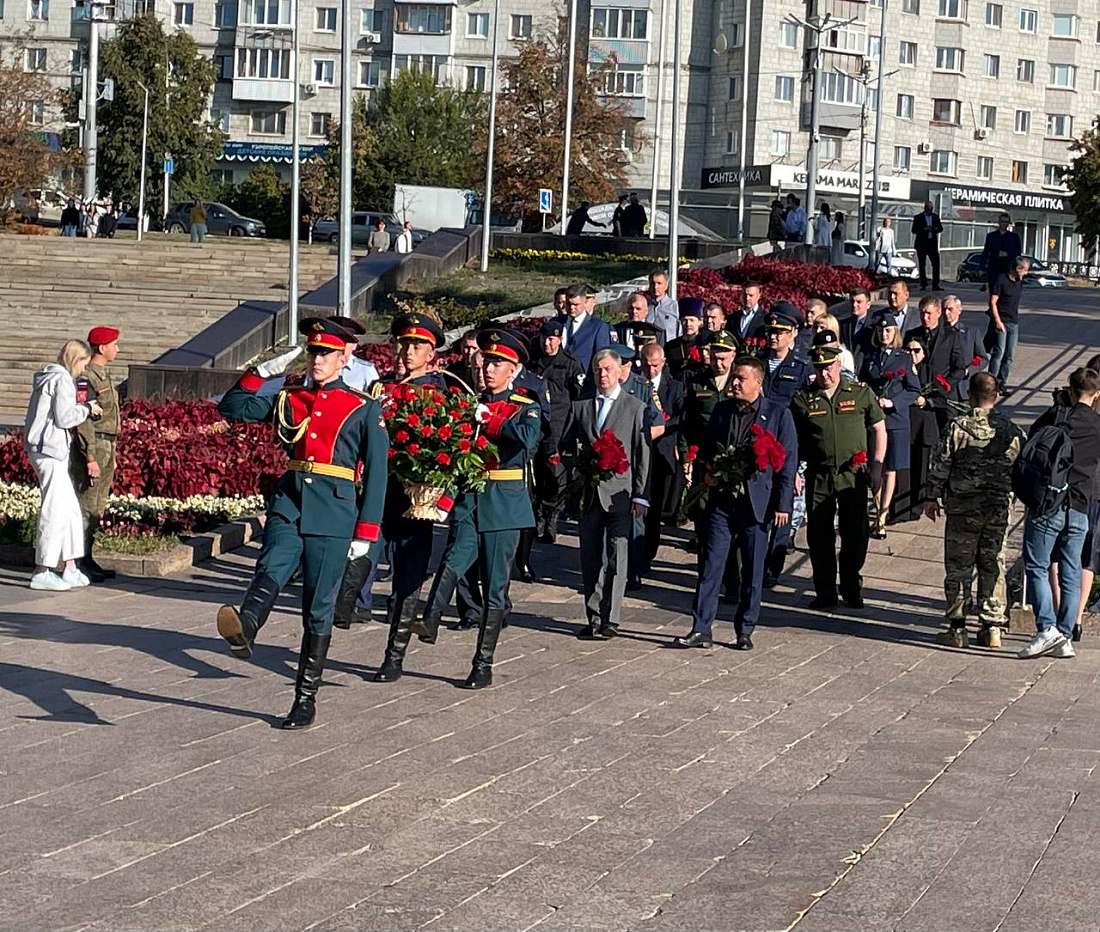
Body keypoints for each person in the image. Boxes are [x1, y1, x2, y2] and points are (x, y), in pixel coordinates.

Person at [215, 318, 388, 729]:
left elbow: (377, 474)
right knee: (273, 563)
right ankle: (247, 628)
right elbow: (233, 409)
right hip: (291, 500)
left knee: (317, 605)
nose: (317, 360)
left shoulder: (363, 407)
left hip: (334, 509)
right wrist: (260, 373)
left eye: (325, 353)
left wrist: (366, 534)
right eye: (313, 352)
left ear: (344, 359)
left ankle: (305, 697)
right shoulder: (290, 399)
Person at [410, 329, 541, 689]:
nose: (487, 368)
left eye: (497, 362)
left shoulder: (525, 405)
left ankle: (483, 663)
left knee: (496, 587)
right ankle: (431, 618)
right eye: (486, 361)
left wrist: (491, 421)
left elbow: (528, 439)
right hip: (471, 499)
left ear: (513, 369)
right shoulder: (468, 403)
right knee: (453, 558)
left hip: (504, 503)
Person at [344, 313, 448, 682]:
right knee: (360, 552)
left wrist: (441, 501)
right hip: (377, 492)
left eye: (417, 345)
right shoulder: (379, 388)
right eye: (403, 343)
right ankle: (344, 608)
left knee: (408, 578)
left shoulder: (441, 393)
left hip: (417, 500)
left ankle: (394, 654)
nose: (406, 352)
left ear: (432, 353)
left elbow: (454, 452)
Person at [675, 356, 797, 650]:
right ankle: (701, 628)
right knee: (710, 566)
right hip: (722, 502)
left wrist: (783, 505)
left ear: (758, 382)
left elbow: (787, 463)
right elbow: (706, 448)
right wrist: (707, 472)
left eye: (742, 378)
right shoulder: (721, 410)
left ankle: (745, 630)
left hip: (757, 504)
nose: (735, 383)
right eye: (734, 377)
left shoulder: (778, 415)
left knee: (752, 571)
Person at [925, 371, 1024, 649]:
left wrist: (932, 496)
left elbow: (941, 464)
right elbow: (1023, 469)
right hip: (998, 509)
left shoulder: (957, 427)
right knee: (993, 563)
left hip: (962, 509)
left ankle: (957, 628)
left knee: (959, 565)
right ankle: (992, 626)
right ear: (997, 396)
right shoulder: (1012, 431)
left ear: (969, 395)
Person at [561, 348, 650, 639]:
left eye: (609, 369)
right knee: (590, 556)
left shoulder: (634, 407)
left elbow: (641, 454)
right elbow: (568, 446)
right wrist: (575, 468)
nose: (603, 375)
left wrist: (640, 494)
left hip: (620, 493)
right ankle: (593, 614)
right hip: (590, 492)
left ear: (620, 371)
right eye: (598, 370)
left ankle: (611, 617)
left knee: (617, 554)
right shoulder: (582, 406)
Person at [791, 340, 885, 609]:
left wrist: (877, 467)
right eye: (819, 368)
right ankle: (825, 592)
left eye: (829, 367)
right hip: (819, 475)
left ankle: (851, 585)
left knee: (855, 533)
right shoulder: (803, 399)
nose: (825, 374)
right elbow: (794, 439)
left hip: (852, 474)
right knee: (819, 535)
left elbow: (879, 428)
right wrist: (794, 472)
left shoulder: (859, 394)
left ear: (839, 364)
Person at [1018, 367, 1100, 660]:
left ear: (1069, 389)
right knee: (1071, 569)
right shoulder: (1098, 424)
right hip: (1080, 506)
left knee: (1037, 564)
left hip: (1050, 502)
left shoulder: (1057, 416)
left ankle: (1046, 628)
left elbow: (1032, 440)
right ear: (1097, 394)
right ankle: (1065, 634)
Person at [24, 340, 103, 591]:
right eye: (82, 364)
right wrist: (87, 408)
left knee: (69, 509)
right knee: (54, 509)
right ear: (76, 359)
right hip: (50, 449)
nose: (82, 370)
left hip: (47, 449)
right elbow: (65, 416)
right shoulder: (62, 380)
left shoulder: (49, 377)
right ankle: (43, 570)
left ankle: (69, 566)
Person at [760, 305, 812, 587]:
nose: (774, 336)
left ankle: (772, 569)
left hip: (787, 452)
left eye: (780, 331)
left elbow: (804, 419)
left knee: (783, 510)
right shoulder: (756, 364)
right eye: (771, 331)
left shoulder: (802, 369)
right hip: (757, 450)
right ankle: (754, 565)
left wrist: (797, 466)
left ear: (793, 334)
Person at [860, 310, 920, 538]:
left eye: (888, 330)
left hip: (895, 420)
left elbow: (913, 389)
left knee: (891, 469)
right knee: (875, 467)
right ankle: (876, 508)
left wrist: (893, 402)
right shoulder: (870, 356)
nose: (884, 334)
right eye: (881, 330)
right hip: (874, 420)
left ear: (895, 332)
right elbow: (864, 381)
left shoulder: (903, 358)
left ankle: (882, 517)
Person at [905, 295, 966, 510]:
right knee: (921, 448)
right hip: (919, 400)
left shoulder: (951, 336)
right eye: (922, 313)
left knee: (946, 446)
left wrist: (946, 386)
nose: (925, 317)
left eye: (929, 313)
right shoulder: (913, 336)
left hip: (943, 400)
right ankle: (918, 494)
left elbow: (960, 367)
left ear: (938, 314)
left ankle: (944, 490)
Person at [70, 325, 121, 583]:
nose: (117, 349)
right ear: (102, 348)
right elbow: (84, 420)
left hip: (107, 446)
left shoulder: (103, 375)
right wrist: (89, 456)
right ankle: (78, 559)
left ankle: (87, 556)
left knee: (98, 505)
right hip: (95, 445)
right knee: (88, 504)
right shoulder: (86, 377)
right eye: (114, 344)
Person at [528, 318, 584, 542]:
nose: (547, 343)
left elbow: (578, 396)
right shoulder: (534, 362)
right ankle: (538, 515)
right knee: (537, 473)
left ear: (560, 339)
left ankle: (551, 517)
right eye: (544, 338)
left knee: (556, 475)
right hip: (536, 424)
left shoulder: (570, 364)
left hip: (559, 428)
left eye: (552, 339)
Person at [640, 342, 684, 571]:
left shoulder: (674, 387)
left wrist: (662, 425)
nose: (651, 370)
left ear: (663, 363)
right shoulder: (635, 384)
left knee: (655, 505)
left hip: (662, 451)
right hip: (639, 450)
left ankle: (648, 552)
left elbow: (680, 416)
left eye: (655, 366)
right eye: (646, 366)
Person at [986, 256, 1029, 396]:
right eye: (1025, 270)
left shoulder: (1019, 282)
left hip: (1013, 322)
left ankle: (1001, 383)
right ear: (1017, 269)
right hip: (1001, 321)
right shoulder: (1001, 280)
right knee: (999, 352)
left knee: (1009, 356)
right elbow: (992, 302)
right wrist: (997, 321)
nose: (1026, 273)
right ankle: (991, 383)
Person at [556, 282, 613, 371]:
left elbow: (601, 358)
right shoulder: (556, 322)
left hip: (583, 379)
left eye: (576, 305)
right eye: (568, 304)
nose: (571, 308)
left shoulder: (598, 327)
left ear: (585, 302)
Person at [942, 294, 988, 401]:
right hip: (944, 390)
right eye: (944, 309)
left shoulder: (971, 333)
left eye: (950, 309)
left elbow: (983, 359)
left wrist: (969, 370)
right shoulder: (938, 333)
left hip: (965, 389)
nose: (946, 313)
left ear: (959, 310)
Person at [665, 298, 710, 380]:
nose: (688, 324)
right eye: (685, 320)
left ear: (700, 322)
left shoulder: (706, 343)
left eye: (692, 320)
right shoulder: (671, 346)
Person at [980, 213, 1022, 293]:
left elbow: (1018, 253)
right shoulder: (991, 236)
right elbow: (986, 252)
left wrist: (1008, 255)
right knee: (994, 293)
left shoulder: (1014, 237)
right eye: (1002, 221)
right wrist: (982, 267)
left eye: (1006, 222)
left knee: (1006, 293)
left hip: (1008, 270)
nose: (1004, 224)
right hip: (994, 269)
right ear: (999, 222)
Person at [838, 288, 875, 373]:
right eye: (852, 301)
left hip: (865, 372)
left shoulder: (873, 326)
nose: (854, 305)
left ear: (868, 304)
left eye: (859, 302)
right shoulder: (843, 325)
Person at [912, 199, 943, 291]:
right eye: (928, 208)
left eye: (931, 209)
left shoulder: (935, 217)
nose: (930, 210)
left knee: (936, 264)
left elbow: (940, 228)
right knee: (922, 264)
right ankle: (923, 284)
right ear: (925, 208)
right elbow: (913, 230)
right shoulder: (918, 218)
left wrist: (934, 229)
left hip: (932, 244)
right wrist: (923, 229)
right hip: (921, 244)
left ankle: (935, 284)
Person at [812, 314, 856, 379]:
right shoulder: (810, 352)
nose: (818, 331)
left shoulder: (844, 355)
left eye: (822, 327)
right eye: (815, 327)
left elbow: (849, 379)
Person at [646, 271, 679, 342]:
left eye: (659, 283)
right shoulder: (645, 307)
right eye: (652, 283)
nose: (655, 287)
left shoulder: (675, 307)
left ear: (666, 285)